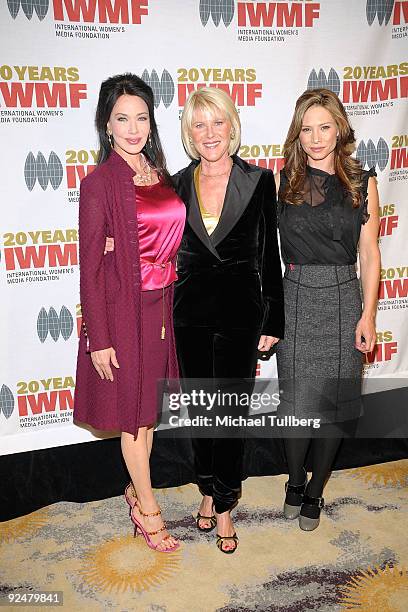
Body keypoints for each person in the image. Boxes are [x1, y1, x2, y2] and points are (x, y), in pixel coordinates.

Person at [74, 73, 185, 552]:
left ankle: (136, 493)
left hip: (160, 306)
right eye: (123, 118)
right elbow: (89, 267)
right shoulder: (99, 182)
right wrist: (99, 338)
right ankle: (148, 509)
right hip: (122, 313)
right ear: (107, 124)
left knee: (147, 414)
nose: (134, 127)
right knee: (130, 418)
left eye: (141, 117)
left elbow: (169, 234)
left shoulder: (159, 174)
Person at [173, 88, 284, 553]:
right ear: (190, 134)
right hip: (190, 314)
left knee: (231, 413)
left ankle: (224, 505)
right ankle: (205, 488)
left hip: (241, 314)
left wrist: (272, 318)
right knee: (201, 408)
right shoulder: (176, 185)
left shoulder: (260, 181)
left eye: (217, 122)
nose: (210, 133)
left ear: (231, 126)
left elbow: (269, 257)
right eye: (199, 124)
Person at [275, 88, 380, 531]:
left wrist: (369, 315)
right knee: (297, 407)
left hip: (342, 297)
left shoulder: (362, 182)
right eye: (307, 129)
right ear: (297, 135)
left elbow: (370, 253)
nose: (316, 138)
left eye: (324, 127)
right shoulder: (281, 181)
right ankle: (295, 480)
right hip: (295, 296)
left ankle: (317, 489)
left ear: (339, 129)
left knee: (334, 408)